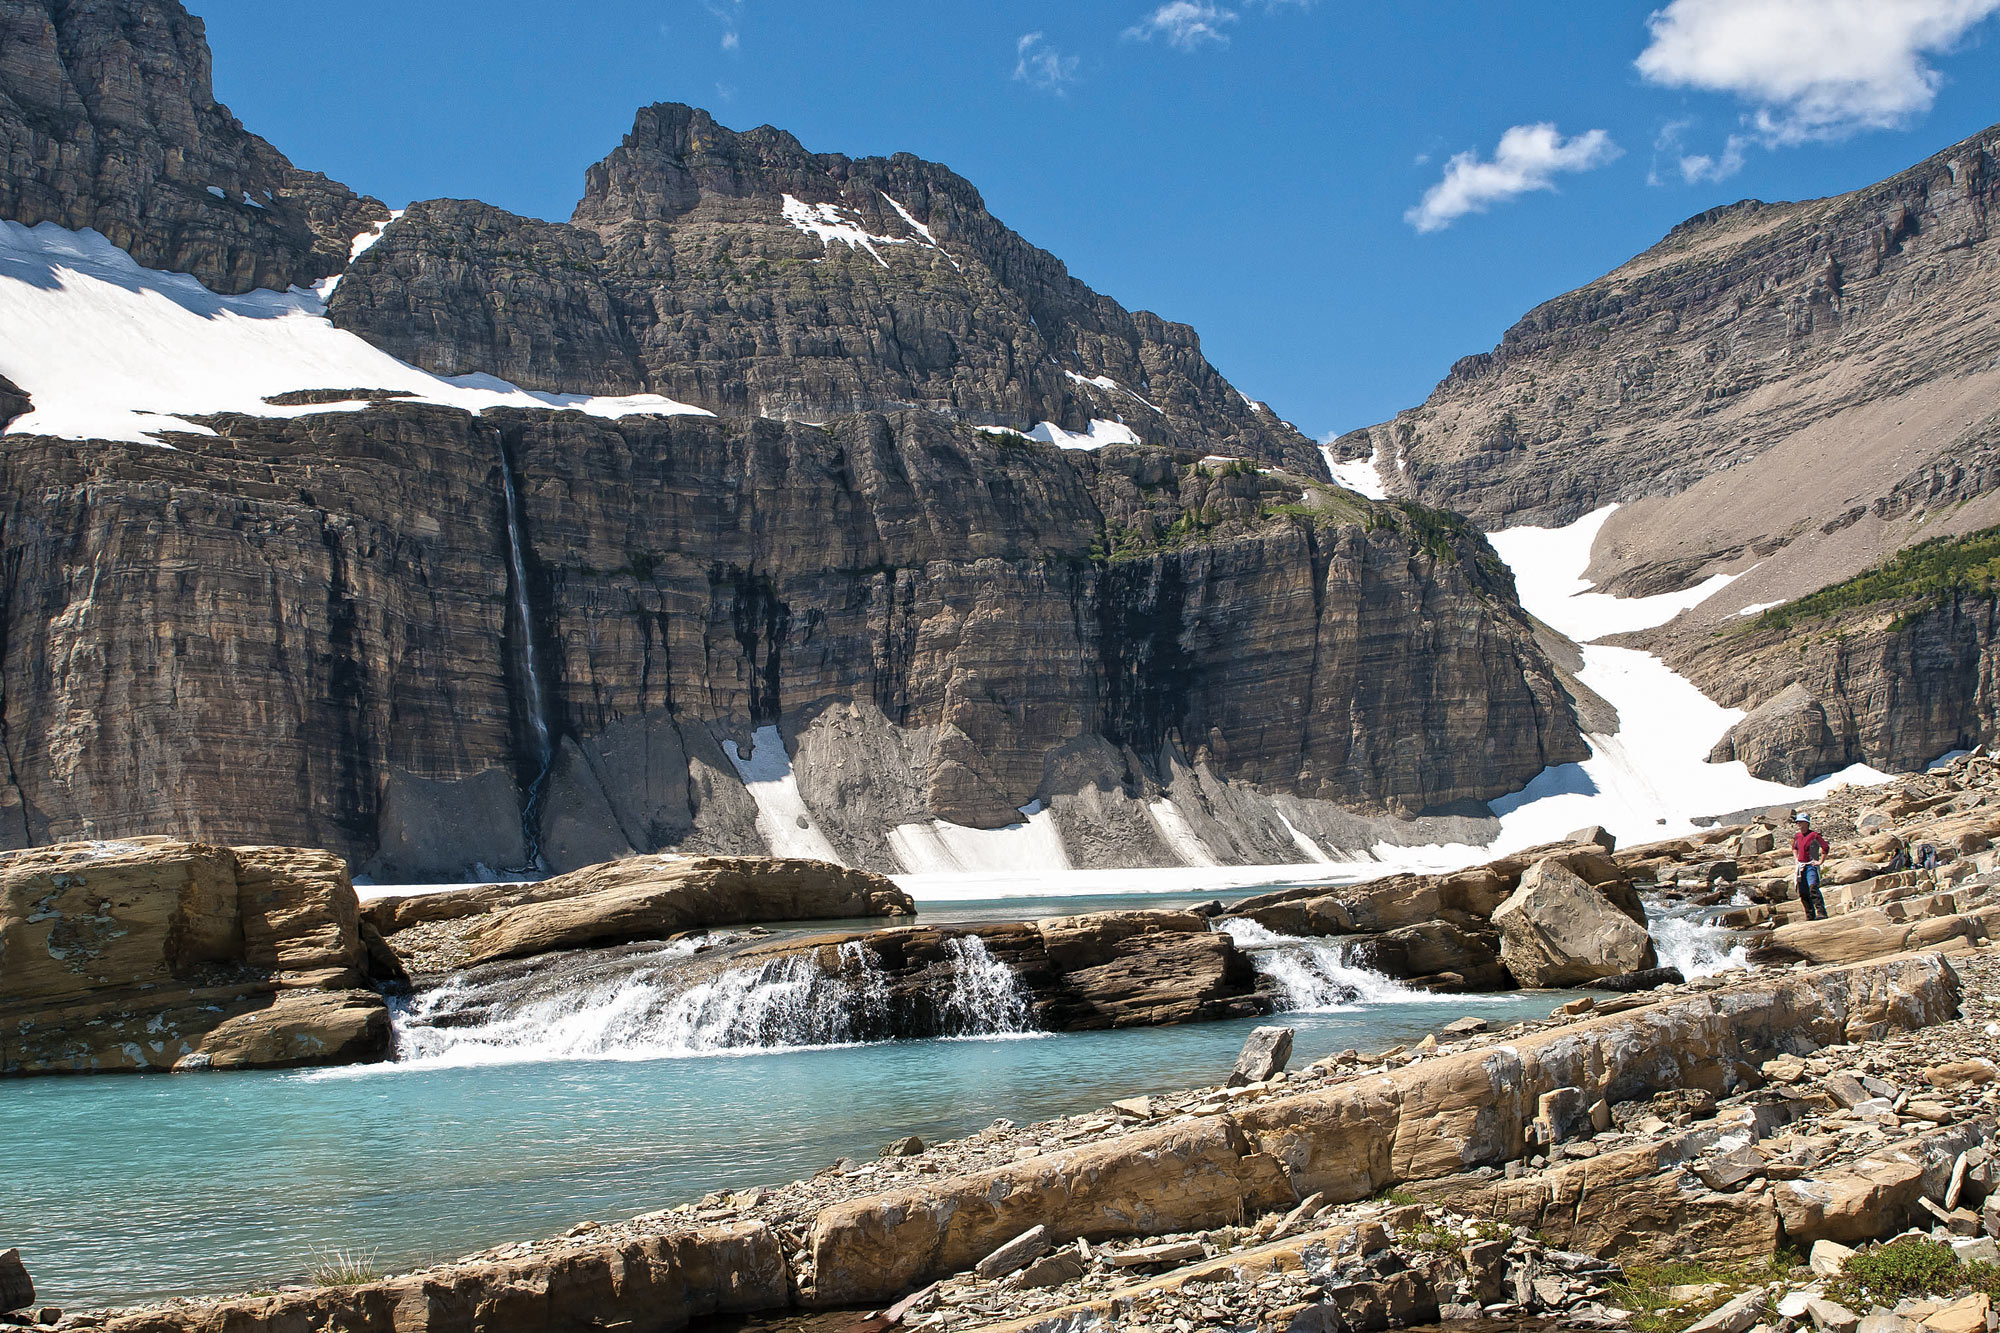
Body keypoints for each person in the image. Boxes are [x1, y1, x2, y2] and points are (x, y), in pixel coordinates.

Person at [1793, 813, 1829, 921]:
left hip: (1811, 866)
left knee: (1813, 888)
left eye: (1801, 822)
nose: (1798, 824)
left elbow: (1825, 847)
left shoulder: (1814, 835)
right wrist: (1796, 858)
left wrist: (1820, 861)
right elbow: (1794, 847)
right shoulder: (1797, 836)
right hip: (1801, 866)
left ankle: (1821, 913)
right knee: (1803, 892)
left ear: (1807, 823)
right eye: (1797, 822)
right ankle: (1809, 915)